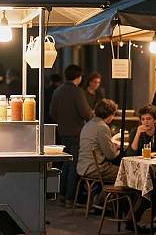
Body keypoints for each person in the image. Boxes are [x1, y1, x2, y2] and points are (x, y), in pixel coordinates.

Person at [50, 64, 93, 207]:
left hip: (62, 132)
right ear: (79, 77)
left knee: (64, 164)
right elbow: (85, 113)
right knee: (73, 165)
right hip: (76, 133)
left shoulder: (58, 91)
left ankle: (61, 194)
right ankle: (69, 198)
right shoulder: (78, 92)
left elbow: (52, 113)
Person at [77, 99, 120, 183]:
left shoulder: (88, 124)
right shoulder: (102, 127)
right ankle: (112, 195)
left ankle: (103, 195)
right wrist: (118, 149)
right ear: (110, 115)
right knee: (126, 172)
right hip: (95, 169)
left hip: (82, 166)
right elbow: (110, 155)